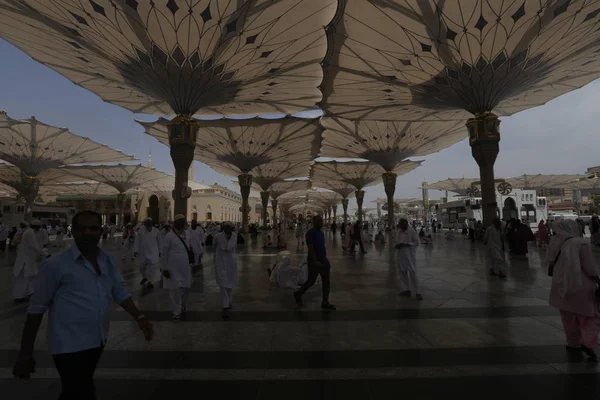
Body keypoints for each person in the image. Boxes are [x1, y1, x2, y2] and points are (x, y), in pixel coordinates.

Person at [12, 210, 153, 399]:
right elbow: (36, 308)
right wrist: (25, 354)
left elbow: (119, 291)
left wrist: (140, 317)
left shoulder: (107, 259)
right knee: (81, 390)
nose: (88, 232)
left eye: (93, 228)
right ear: (75, 231)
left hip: (96, 339)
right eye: (82, 228)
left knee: (77, 388)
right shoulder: (56, 264)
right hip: (68, 343)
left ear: (101, 231)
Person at [547, 219, 600, 360]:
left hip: (561, 287)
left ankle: (573, 344)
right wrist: (597, 279)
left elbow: (550, 260)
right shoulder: (580, 243)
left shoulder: (554, 242)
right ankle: (588, 343)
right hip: (581, 287)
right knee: (591, 316)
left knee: (568, 318)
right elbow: (589, 268)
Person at [294, 215, 336, 310]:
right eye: (318, 221)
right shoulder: (310, 233)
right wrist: (315, 260)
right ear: (314, 222)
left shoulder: (321, 233)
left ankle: (325, 302)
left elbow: (322, 246)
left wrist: (324, 259)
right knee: (311, 281)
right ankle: (298, 293)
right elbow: (310, 248)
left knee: (326, 282)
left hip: (323, 260)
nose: (321, 222)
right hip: (314, 261)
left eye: (321, 220)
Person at [161, 214, 193, 321]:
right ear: (175, 223)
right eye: (180, 221)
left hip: (185, 266)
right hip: (172, 267)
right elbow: (164, 253)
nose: (183, 223)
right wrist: (164, 268)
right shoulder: (169, 236)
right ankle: (176, 312)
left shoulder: (187, 234)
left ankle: (182, 304)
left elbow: (189, 248)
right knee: (174, 290)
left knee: (186, 287)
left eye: (184, 221)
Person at [13, 220, 48, 302]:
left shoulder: (28, 231)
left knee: (29, 277)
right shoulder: (30, 233)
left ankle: (29, 292)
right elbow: (34, 246)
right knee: (23, 279)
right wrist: (45, 253)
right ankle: (19, 297)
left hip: (27, 258)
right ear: (37, 227)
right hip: (25, 260)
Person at [395, 217, 422, 300]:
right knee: (403, 273)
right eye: (399, 225)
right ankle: (407, 290)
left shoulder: (411, 231)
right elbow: (396, 242)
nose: (400, 226)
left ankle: (417, 292)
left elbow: (417, 242)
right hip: (401, 255)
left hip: (409, 256)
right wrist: (397, 245)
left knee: (412, 273)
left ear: (406, 223)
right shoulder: (399, 231)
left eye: (401, 224)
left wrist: (408, 244)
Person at [214, 223, 238, 311]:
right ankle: (225, 304)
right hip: (220, 261)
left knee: (230, 283)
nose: (228, 229)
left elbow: (234, 247)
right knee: (222, 283)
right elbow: (214, 246)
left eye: (230, 227)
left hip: (231, 262)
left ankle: (229, 301)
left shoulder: (235, 236)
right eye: (227, 227)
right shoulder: (217, 236)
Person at [133, 218, 162, 289]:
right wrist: (135, 250)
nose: (149, 223)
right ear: (145, 223)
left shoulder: (156, 231)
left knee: (152, 268)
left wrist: (160, 251)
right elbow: (137, 241)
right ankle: (144, 277)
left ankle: (151, 281)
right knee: (142, 268)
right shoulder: (141, 231)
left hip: (153, 252)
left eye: (150, 222)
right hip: (143, 252)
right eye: (147, 222)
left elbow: (160, 241)